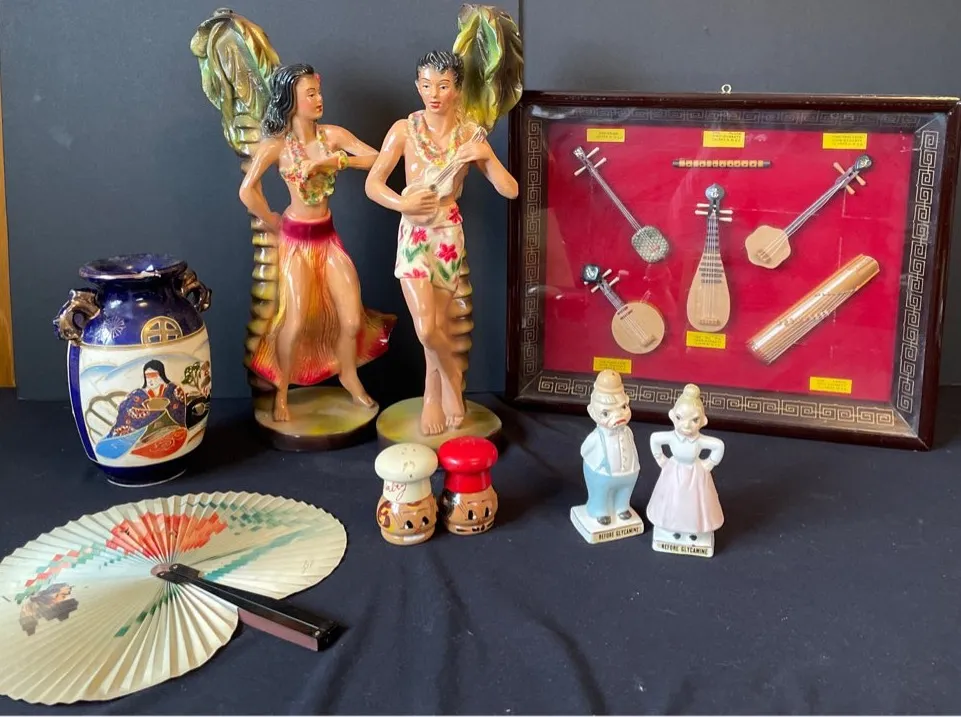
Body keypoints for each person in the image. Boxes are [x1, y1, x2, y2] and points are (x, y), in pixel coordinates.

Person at [365, 50, 518, 436]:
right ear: (417, 86)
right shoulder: (404, 130)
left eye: (443, 85)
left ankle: (432, 395)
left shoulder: (468, 135)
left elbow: (510, 190)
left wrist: (487, 155)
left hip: (447, 236)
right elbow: (373, 184)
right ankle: (452, 383)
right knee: (425, 328)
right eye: (427, 85)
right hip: (414, 234)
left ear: (457, 90)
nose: (434, 94)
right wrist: (402, 203)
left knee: (440, 327)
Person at [239, 63, 394, 421]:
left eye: (318, 92)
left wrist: (335, 162)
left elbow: (378, 157)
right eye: (310, 94)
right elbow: (248, 191)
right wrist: (272, 220)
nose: (319, 99)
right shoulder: (277, 146)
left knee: (351, 319)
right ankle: (281, 392)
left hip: (328, 239)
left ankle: (349, 375)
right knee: (293, 323)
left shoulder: (332, 136)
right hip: (296, 243)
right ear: (291, 101)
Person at [647, 384, 725, 543]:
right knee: (673, 501)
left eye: (694, 420)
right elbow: (655, 439)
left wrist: (710, 463)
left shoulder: (699, 440)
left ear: (703, 421)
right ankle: (673, 528)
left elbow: (718, 445)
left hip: (695, 474)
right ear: (672, 415)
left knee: (694, 504)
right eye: (680, 418)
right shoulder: (671, 437)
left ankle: (693, 531)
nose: (686, 425)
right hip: (674, 471)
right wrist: (660, 459)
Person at [579, 370, 640, 526]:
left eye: (623, 407)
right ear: (592, 412)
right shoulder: (597, 436)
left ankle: (622, 507)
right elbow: (584, 450)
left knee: (625, 490)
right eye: (606, 413)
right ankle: (600, 510)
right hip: (603, 473)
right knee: (601, 492)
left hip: (629, 471)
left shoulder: (627, 431)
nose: (619, 416)